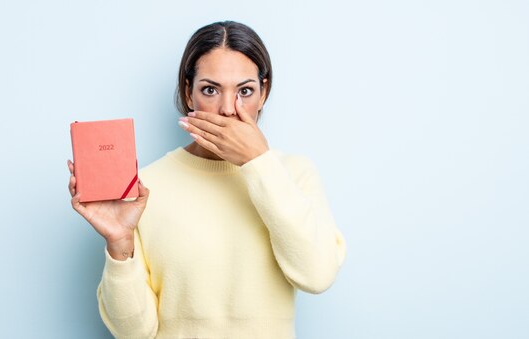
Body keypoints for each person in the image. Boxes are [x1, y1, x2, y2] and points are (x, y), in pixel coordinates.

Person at [67, 20, 346, 339]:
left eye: (245, 91)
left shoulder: (293, 174)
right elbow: (134, 333)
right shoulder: (144, 186)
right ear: (188, 93)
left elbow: (317, 275)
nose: (228, 109)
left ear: (264, 93)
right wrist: (119, 244)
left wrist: (259, 162)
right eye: (210, 90)